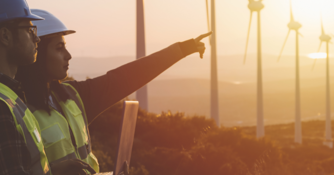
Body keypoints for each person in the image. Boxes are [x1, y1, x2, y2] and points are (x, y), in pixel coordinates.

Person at [15, 9, 211, 173]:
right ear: (37, 53)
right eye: (59, 48)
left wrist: (183, 49)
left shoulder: (73, 96)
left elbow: (127, 77)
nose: (68, 55)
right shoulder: (16, 108)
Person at [0, 0, 94, 175]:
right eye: (29, 30)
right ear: (5, 36)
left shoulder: (0, 94)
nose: (37, 38)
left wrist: (54, 172)